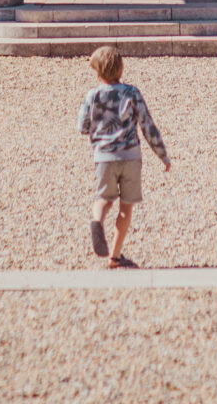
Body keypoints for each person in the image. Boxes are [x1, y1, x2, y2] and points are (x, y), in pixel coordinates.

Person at [76, 45, 172, 268]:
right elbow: (147, 126)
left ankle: (97, 220)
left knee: (104, 198)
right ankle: (115, 256)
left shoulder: (92, 96)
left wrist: (98, 129)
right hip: (130, 156)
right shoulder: (131, 93)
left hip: (104, 157)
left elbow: (82, 127)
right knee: (126, 207)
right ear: (121, 68)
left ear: (97, 71)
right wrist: (163, 156)